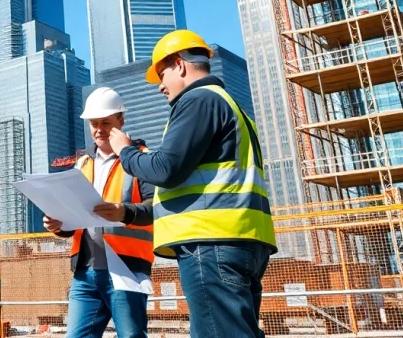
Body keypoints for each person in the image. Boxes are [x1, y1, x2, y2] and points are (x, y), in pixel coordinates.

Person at [108, 29, 277, 338]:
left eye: (162, 74)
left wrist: (126, 151)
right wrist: (127, 213)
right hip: (243, 239)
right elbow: (182, 186)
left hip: (213, 241)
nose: (160, 87)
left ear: (180, 65)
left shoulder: (198, 100)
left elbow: (165, 169)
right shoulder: (231, 107)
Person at [43, 87, 154, 338]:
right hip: (85, 272)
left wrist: (124, 212)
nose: (99, 130)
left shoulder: (141, 159)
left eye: (106, 122)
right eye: (94, 123)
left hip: (126, 270)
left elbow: (157, 209)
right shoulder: (82, 163)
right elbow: (75, 216)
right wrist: (59, 225)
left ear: (121, 122)